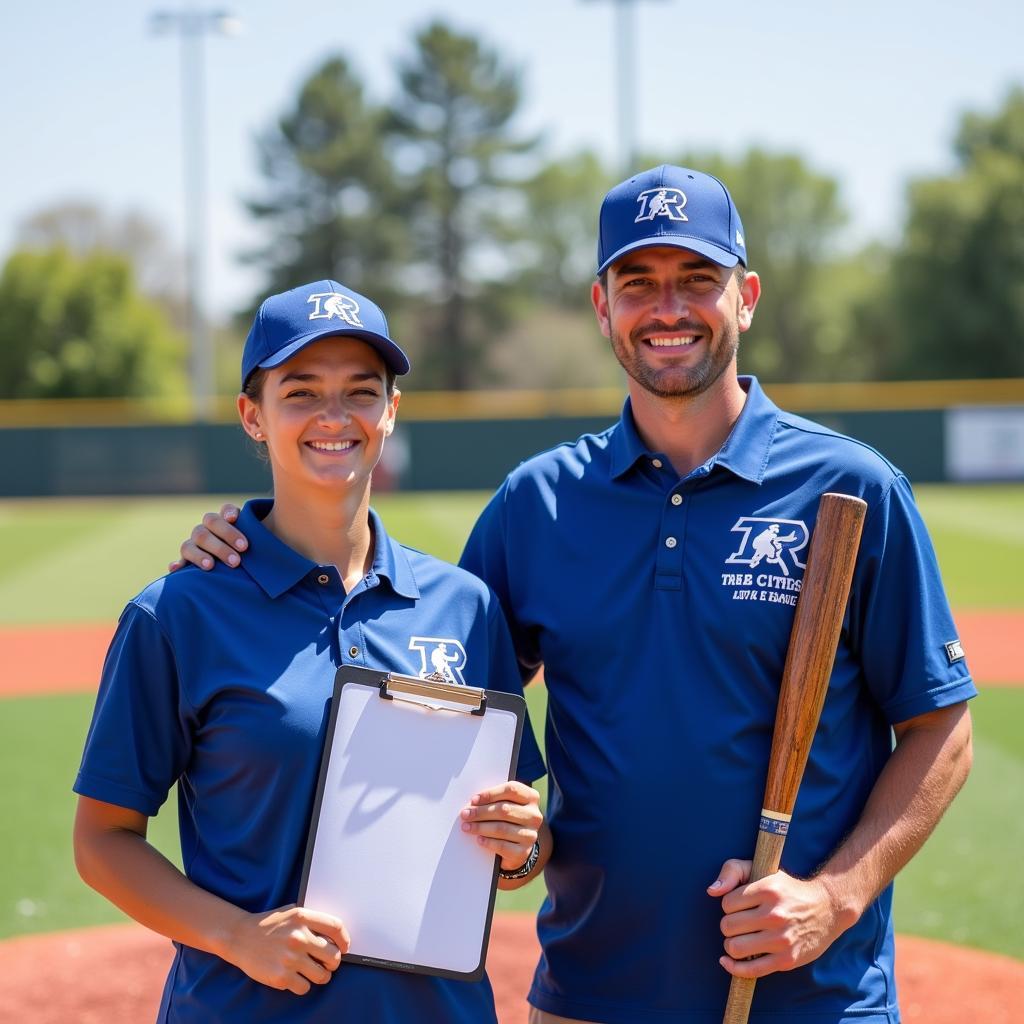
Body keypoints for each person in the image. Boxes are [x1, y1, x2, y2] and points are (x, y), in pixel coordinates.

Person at [175, 168, 975, 1024]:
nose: (668, 308)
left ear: (745, 296)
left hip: (812, 995)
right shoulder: (538, 503)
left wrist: (835, 899)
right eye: (638, 284)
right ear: (602, 306)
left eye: (697, 280)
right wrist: (254, 541)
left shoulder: (851, 489)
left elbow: (942, 729)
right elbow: (427, 662)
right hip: (592, 990)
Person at [73, 279, 550, 1024]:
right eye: (300, 392)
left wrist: (523, 843)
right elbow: (102, 841)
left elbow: (509, 849)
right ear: (251, 416)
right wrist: (237, 935)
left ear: (391, 411)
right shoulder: (178, 612)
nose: (334, 417)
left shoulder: (465, 606)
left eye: (361, 391)